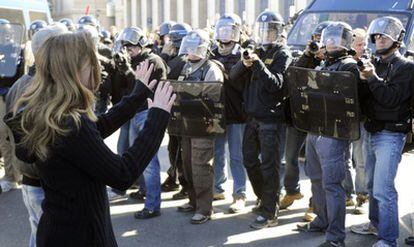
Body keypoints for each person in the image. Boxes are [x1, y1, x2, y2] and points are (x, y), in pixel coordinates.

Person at [5, 31, 175, 247]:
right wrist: (157, 118)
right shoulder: (69, 123)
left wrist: (138, 93)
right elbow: (123, 174)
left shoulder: (52, 113)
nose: (98, 67)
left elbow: (95, 130)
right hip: (81, 236)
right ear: (73, 70)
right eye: (90, 61)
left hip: (62, 231)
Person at [351, 16, 414, 247]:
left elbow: (391, 99)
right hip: (370, 130)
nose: (378, 39)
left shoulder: (406, 67)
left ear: (397, 38)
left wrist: (372, 78)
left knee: (383, 190)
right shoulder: (372, 64)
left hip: (390, 134)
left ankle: (388, 239)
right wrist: (359, 80)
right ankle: (375, 224)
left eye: (384, 35)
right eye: (376, 35)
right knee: (370, 186)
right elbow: (364, 100)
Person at [296, 22, 360, 247]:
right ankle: (321, 220)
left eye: (336, 38)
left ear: (346, 41)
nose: (331, 41)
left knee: (332, 185)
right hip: (316, 128)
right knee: (315, 177)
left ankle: (335, 238)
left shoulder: (350, 66)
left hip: (334, 131)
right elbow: (296, 74)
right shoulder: (324, 63)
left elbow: (347, 99)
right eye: (328, 37)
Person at [4, 23, 68, 247]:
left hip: (33, 179)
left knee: (39, 233)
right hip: (41, 180)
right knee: (47, 235)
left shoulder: (22, 85)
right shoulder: (38, 88)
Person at [230, 10, 292, 229]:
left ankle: (270, 213)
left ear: (278, 31)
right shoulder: (255, 51)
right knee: (249, 159)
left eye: (270, 30)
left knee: (270, 166)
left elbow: (276, 85)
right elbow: (232, 77)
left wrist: (258, 64)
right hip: (252, 116)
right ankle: (263, 198)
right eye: (263, 30)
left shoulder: (283, 54)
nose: (266, 34)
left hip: (271, 119)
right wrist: (243, 63)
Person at [175, 29, 224, 224]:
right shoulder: (186, 66)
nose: (189, 51)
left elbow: (213, 96)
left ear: (203, 49)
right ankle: (193, 200)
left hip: (204, 125)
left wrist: (189, 94)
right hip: (187, 123)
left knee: (201, 166)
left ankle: (204, 208)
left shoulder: (211, 68)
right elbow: (177, 88)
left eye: (194, 48)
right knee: (187, 165)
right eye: (188, 47)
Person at [211, 13, 248, 213]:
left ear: (236, 32)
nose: (224, 34)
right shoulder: (211, 52)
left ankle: (240, 194)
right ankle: (217, 188)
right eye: (222, 29)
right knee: (216, 152)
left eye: (229, 30)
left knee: (236, 155)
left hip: (237, 112)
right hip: (217, 112)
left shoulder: (244, 55)